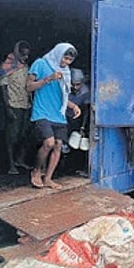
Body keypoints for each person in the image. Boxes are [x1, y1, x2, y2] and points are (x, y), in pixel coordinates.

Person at [27, 43, 81, 189]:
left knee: (58, 146)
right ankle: (36, 171)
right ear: (58, 53)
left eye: (69, 60)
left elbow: (61, 97)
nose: (65, 62)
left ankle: (48, 179)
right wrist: (48, 79)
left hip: (58, 114)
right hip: (42, 111)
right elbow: (28, 87)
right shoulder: (40, 64)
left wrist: (74, 106)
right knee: (49, 143)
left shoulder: (66, 72)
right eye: (64, 58)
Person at [0, 40, 32, 175]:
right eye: (23, 55)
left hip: (26, 105)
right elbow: (3, 89)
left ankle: (20, 160)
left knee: (24, 134)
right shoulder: (7, 67)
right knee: (12, 136)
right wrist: (8, 108)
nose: (25, 58)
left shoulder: (25, 66)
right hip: (13, 105)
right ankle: (11, 164)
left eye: (27, 55)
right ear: (17, 53)